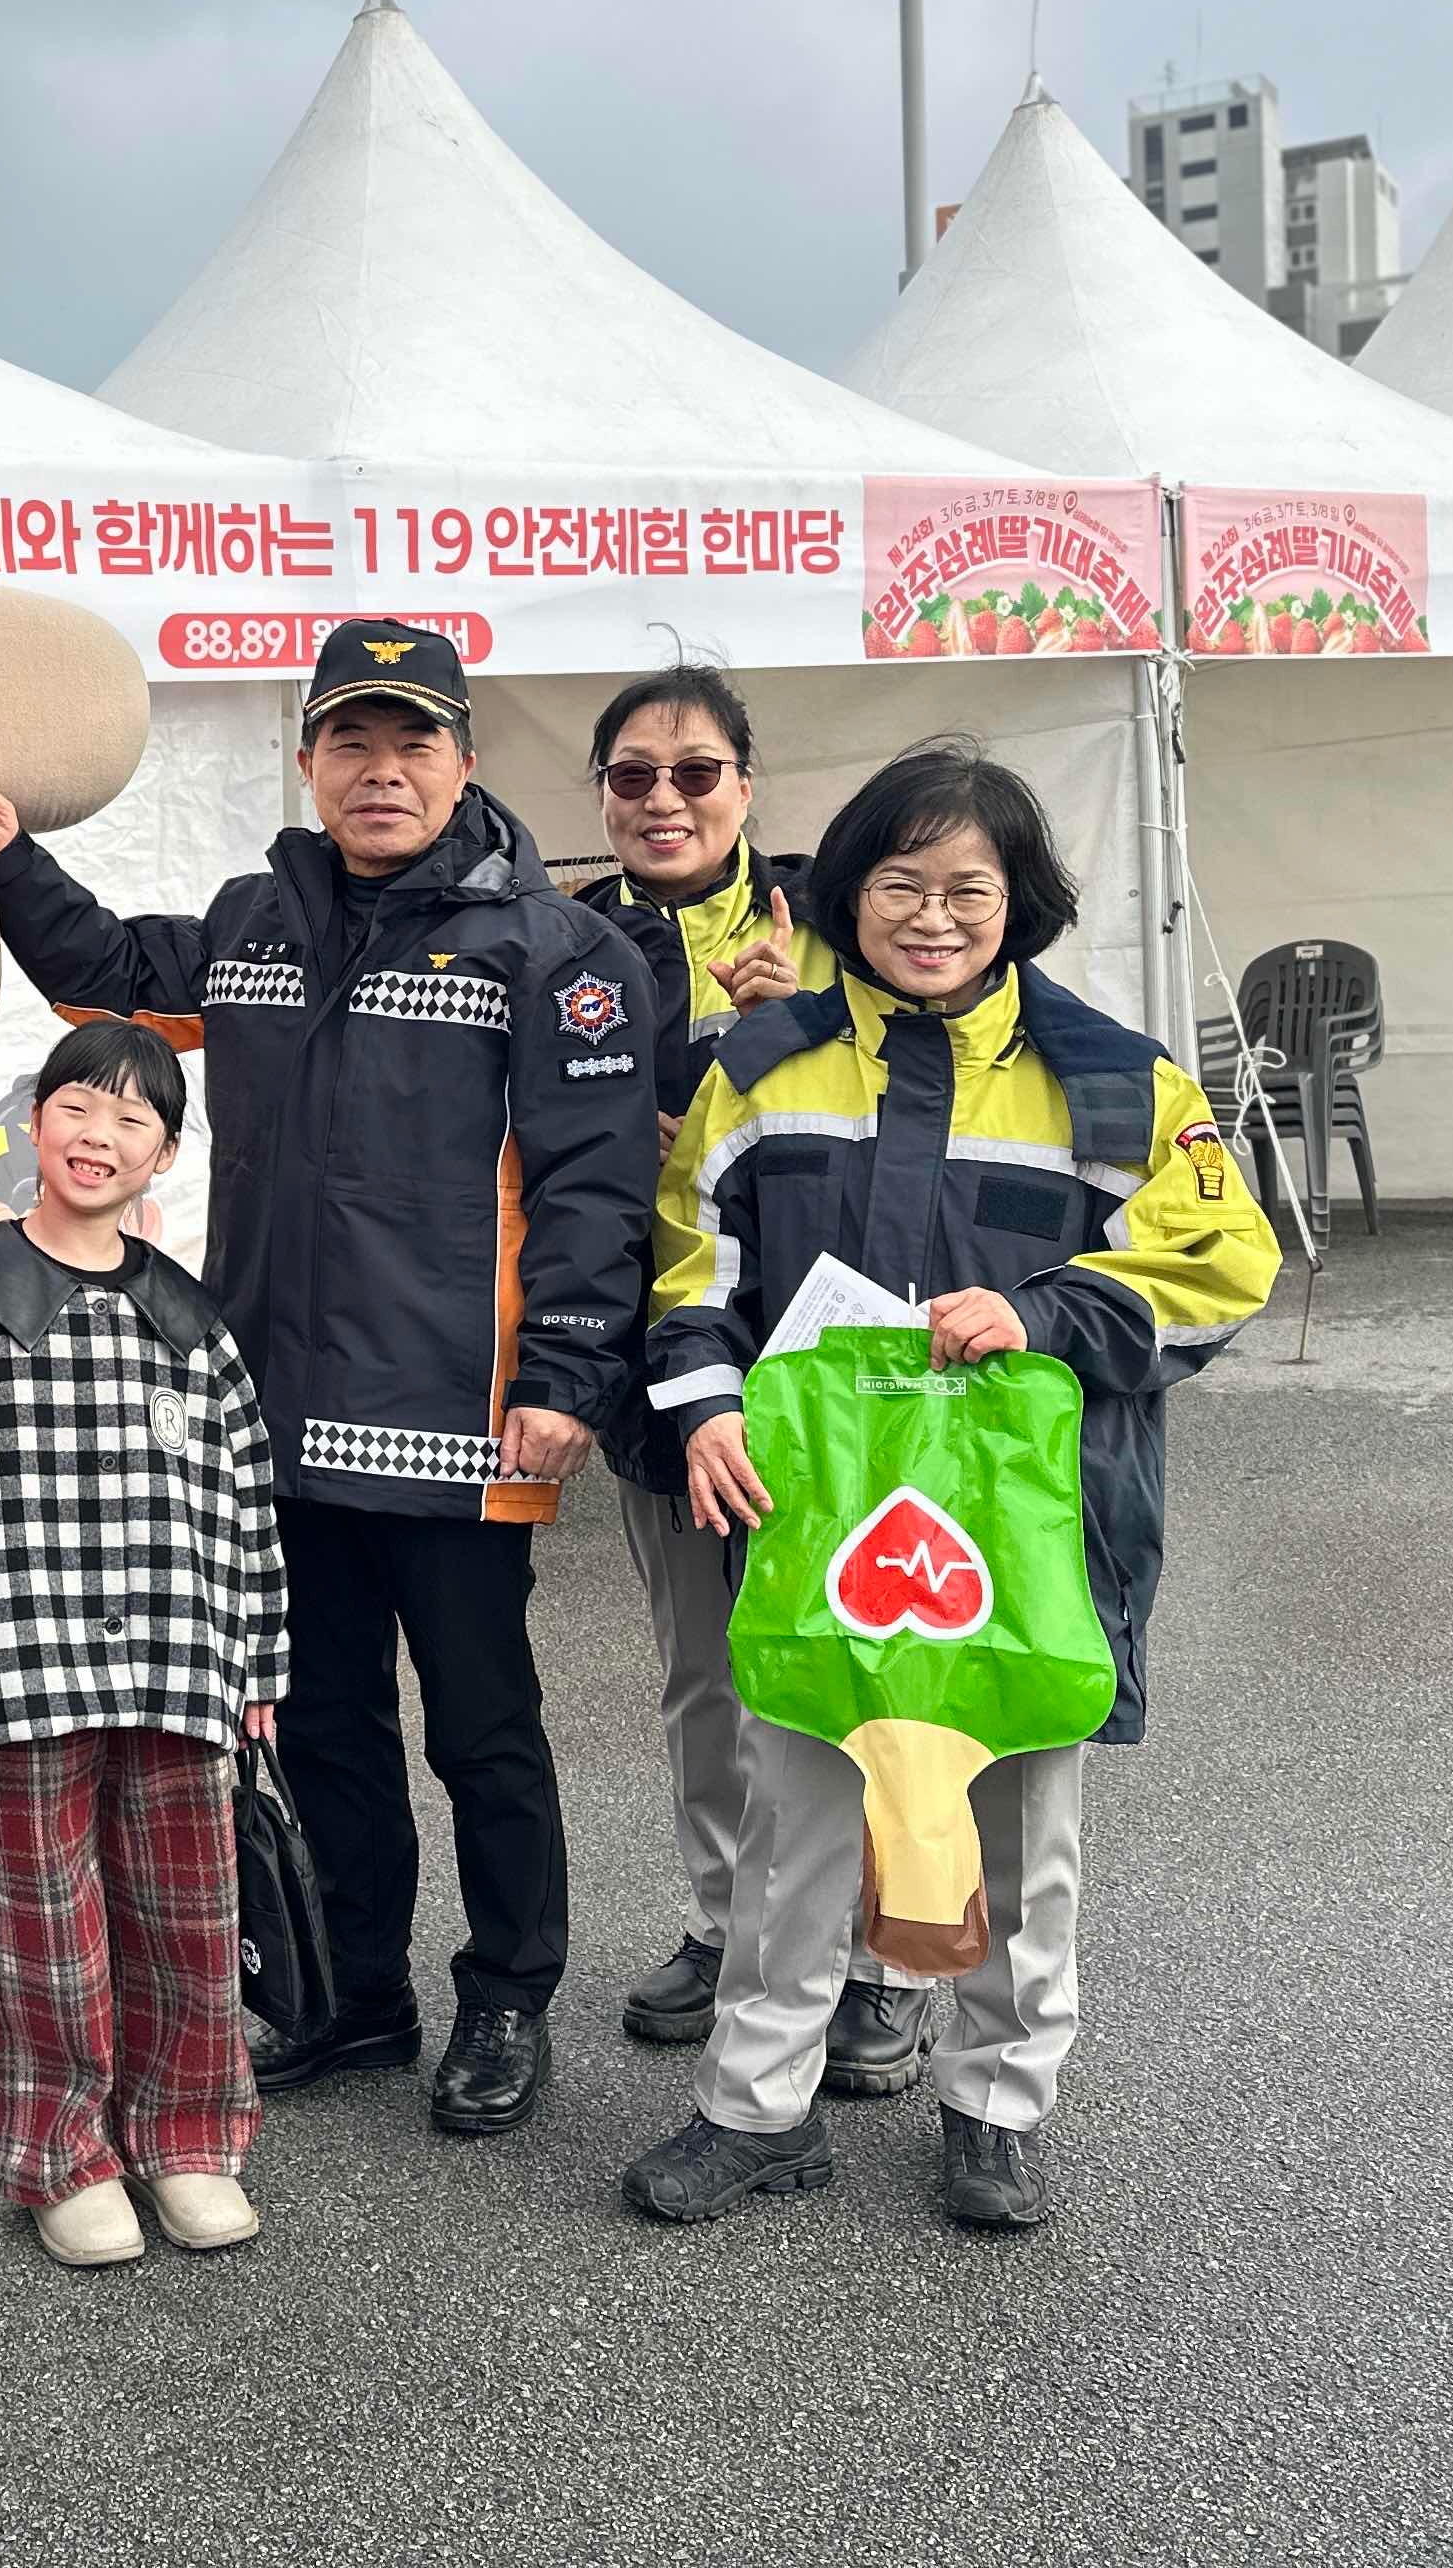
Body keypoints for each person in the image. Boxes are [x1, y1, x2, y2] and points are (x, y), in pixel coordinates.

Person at [0, 617, 659, 2141]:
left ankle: (507, 1999)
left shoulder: (558, 953)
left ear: (465, 761)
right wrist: (11, 858)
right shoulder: (255, 919)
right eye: (353, 739)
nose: (382, 769)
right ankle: (359, 1998)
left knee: (484, 1731)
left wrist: (570, 1377)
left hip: (466, 1420)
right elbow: (108, 973)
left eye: (413, 742)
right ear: (311, 757)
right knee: (325, 1723)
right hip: (276, 1419)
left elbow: (599, 1190)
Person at [619, 741, 1281, 2232]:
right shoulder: (759, 1066)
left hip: (1034, 1533)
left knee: (1022, 1832)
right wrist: (707, 1412)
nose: (931, 915)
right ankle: (755, 2109)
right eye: (899, 883)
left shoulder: (1116, 1078)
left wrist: (1048, 1309)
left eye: (966, 887)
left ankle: (995, 2106)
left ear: (1018, 901)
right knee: (795, 1822)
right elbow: (687, 1272)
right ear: (845, 892)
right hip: (816, 1523)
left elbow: (1227, 1266)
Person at [0, 1021, 288, 2269]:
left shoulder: (192, 1319)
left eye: (134, 1120)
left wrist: (259, 1662)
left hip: (177, 1658)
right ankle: (60, 2153)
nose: (101, 1137)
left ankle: (191, 2135)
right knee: (37, 1919)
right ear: (33, 1126)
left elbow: (245, 1501)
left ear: (164, 1154)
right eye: (78, 1109)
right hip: (21, 1657)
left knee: (189, 1912)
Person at [568, 669, 926, 2095]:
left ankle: (888, 1961)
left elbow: (927, 1111)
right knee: (705, 1675)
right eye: (636, 777)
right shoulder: (564, 937)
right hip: (667, 1352)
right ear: (601, 793)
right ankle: (729, 1924)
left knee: (864, 1660)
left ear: (748, 785)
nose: (667, 800)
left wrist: (812, 1026)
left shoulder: (838, 926)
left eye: (698, 772)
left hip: (835, 1354)